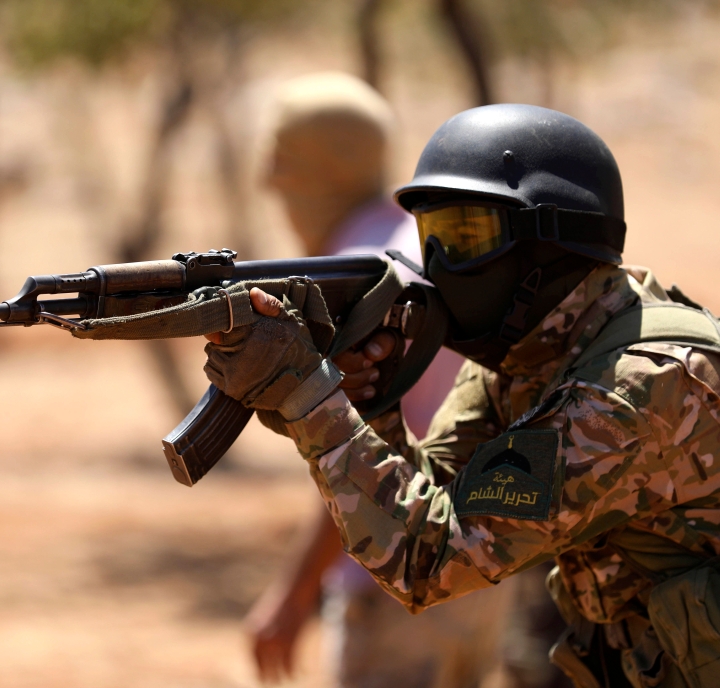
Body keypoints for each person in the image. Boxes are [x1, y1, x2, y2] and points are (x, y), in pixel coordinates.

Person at [205, 103, 720, 688]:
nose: (442, 265)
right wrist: (370, 402)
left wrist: (312, 401)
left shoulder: (637, 387)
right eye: (434, 238)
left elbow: (431, 562)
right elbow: (435, 499)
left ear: (554, 242)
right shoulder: (530, 354)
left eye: (467, 236)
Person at [244, 72, 509, 688]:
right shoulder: (421, 246)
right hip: (487, 565)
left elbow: (363, 452)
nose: (269, 182)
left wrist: (293, 595)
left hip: (399, 576)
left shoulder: (351, 274)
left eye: (281, 161)